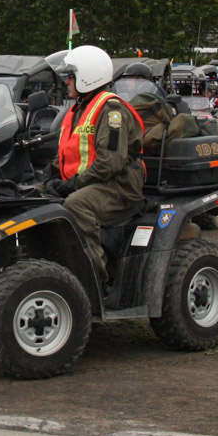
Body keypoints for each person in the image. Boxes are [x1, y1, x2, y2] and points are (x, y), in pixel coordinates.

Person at [44, 46, 145, 280]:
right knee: (27, 196)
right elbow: (71, 153)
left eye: (71, 76)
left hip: (117, 185)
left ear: (88, 77)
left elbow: (110, 162)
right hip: (90, 182)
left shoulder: (111, 110)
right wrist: (50, 177)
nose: (67, 82)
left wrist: (74, 184)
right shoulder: (80, 108)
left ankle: (94, 279)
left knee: (77, 205)